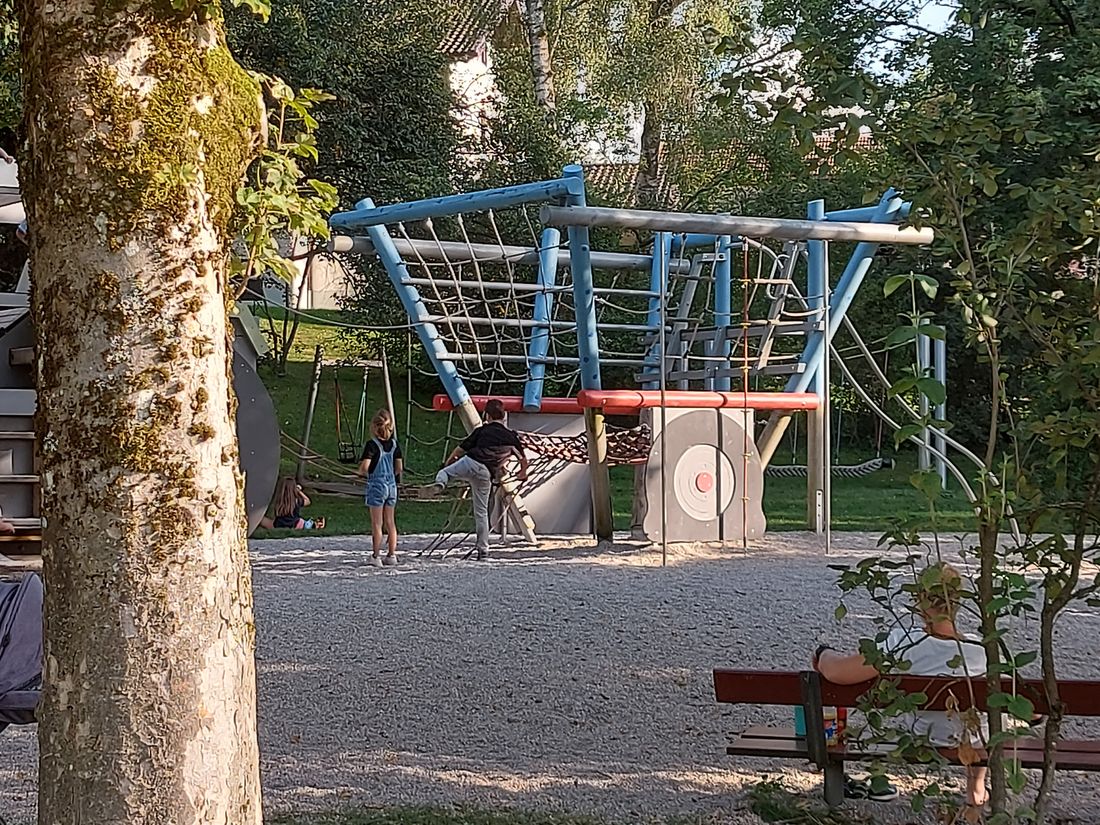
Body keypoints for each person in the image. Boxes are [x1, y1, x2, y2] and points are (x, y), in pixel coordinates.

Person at [813, 562, 988, 811]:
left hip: (923, 737)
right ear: (958, 601)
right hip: (976, 742)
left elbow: (838, 672)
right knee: (980, 727)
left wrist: (823, 654)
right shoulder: (982, 649)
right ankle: (976, 786)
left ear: (919, 601)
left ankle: (873, 778)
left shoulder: (904, 643)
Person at [430, 399, 528, 560]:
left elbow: (459, 450)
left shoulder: (482, 430)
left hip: (471, 461)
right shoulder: (511, 436)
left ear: (487, 415)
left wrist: (447, 464)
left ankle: (440, 484)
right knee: (481, 513)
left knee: (446, 473)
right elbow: (523, 460)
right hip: (486, 473)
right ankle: (484, 550)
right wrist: (522, 473)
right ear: (503, 416)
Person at [358, 409, 403, 568]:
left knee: (377, 523)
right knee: (390, 522)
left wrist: (361, 473)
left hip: (377, 485)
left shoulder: (372, 445)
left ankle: (376, 556)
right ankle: (391, 555)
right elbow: (399, 468)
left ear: (374, 427)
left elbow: (364, 468)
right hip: (391, 485)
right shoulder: (395, 444)